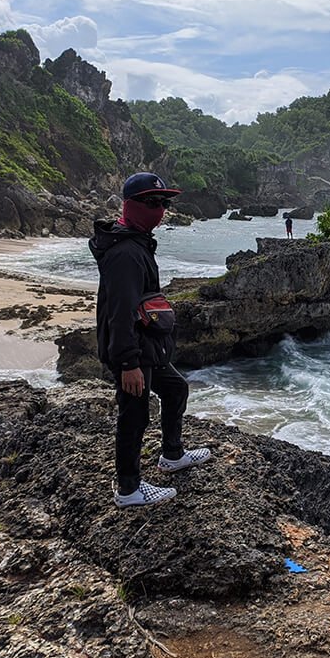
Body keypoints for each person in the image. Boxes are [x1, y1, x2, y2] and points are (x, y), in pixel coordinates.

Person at [89, 172, 211, 508]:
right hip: (132, 349)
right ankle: (129, 490)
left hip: (147, 346)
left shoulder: (137, 240)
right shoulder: (126, 252)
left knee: (175, 388)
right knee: (134, 415)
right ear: (130, 205)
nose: (159, 209)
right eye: (151, 202)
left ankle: (172, 455)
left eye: (164, 203)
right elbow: (120, 310)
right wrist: (128, 362)